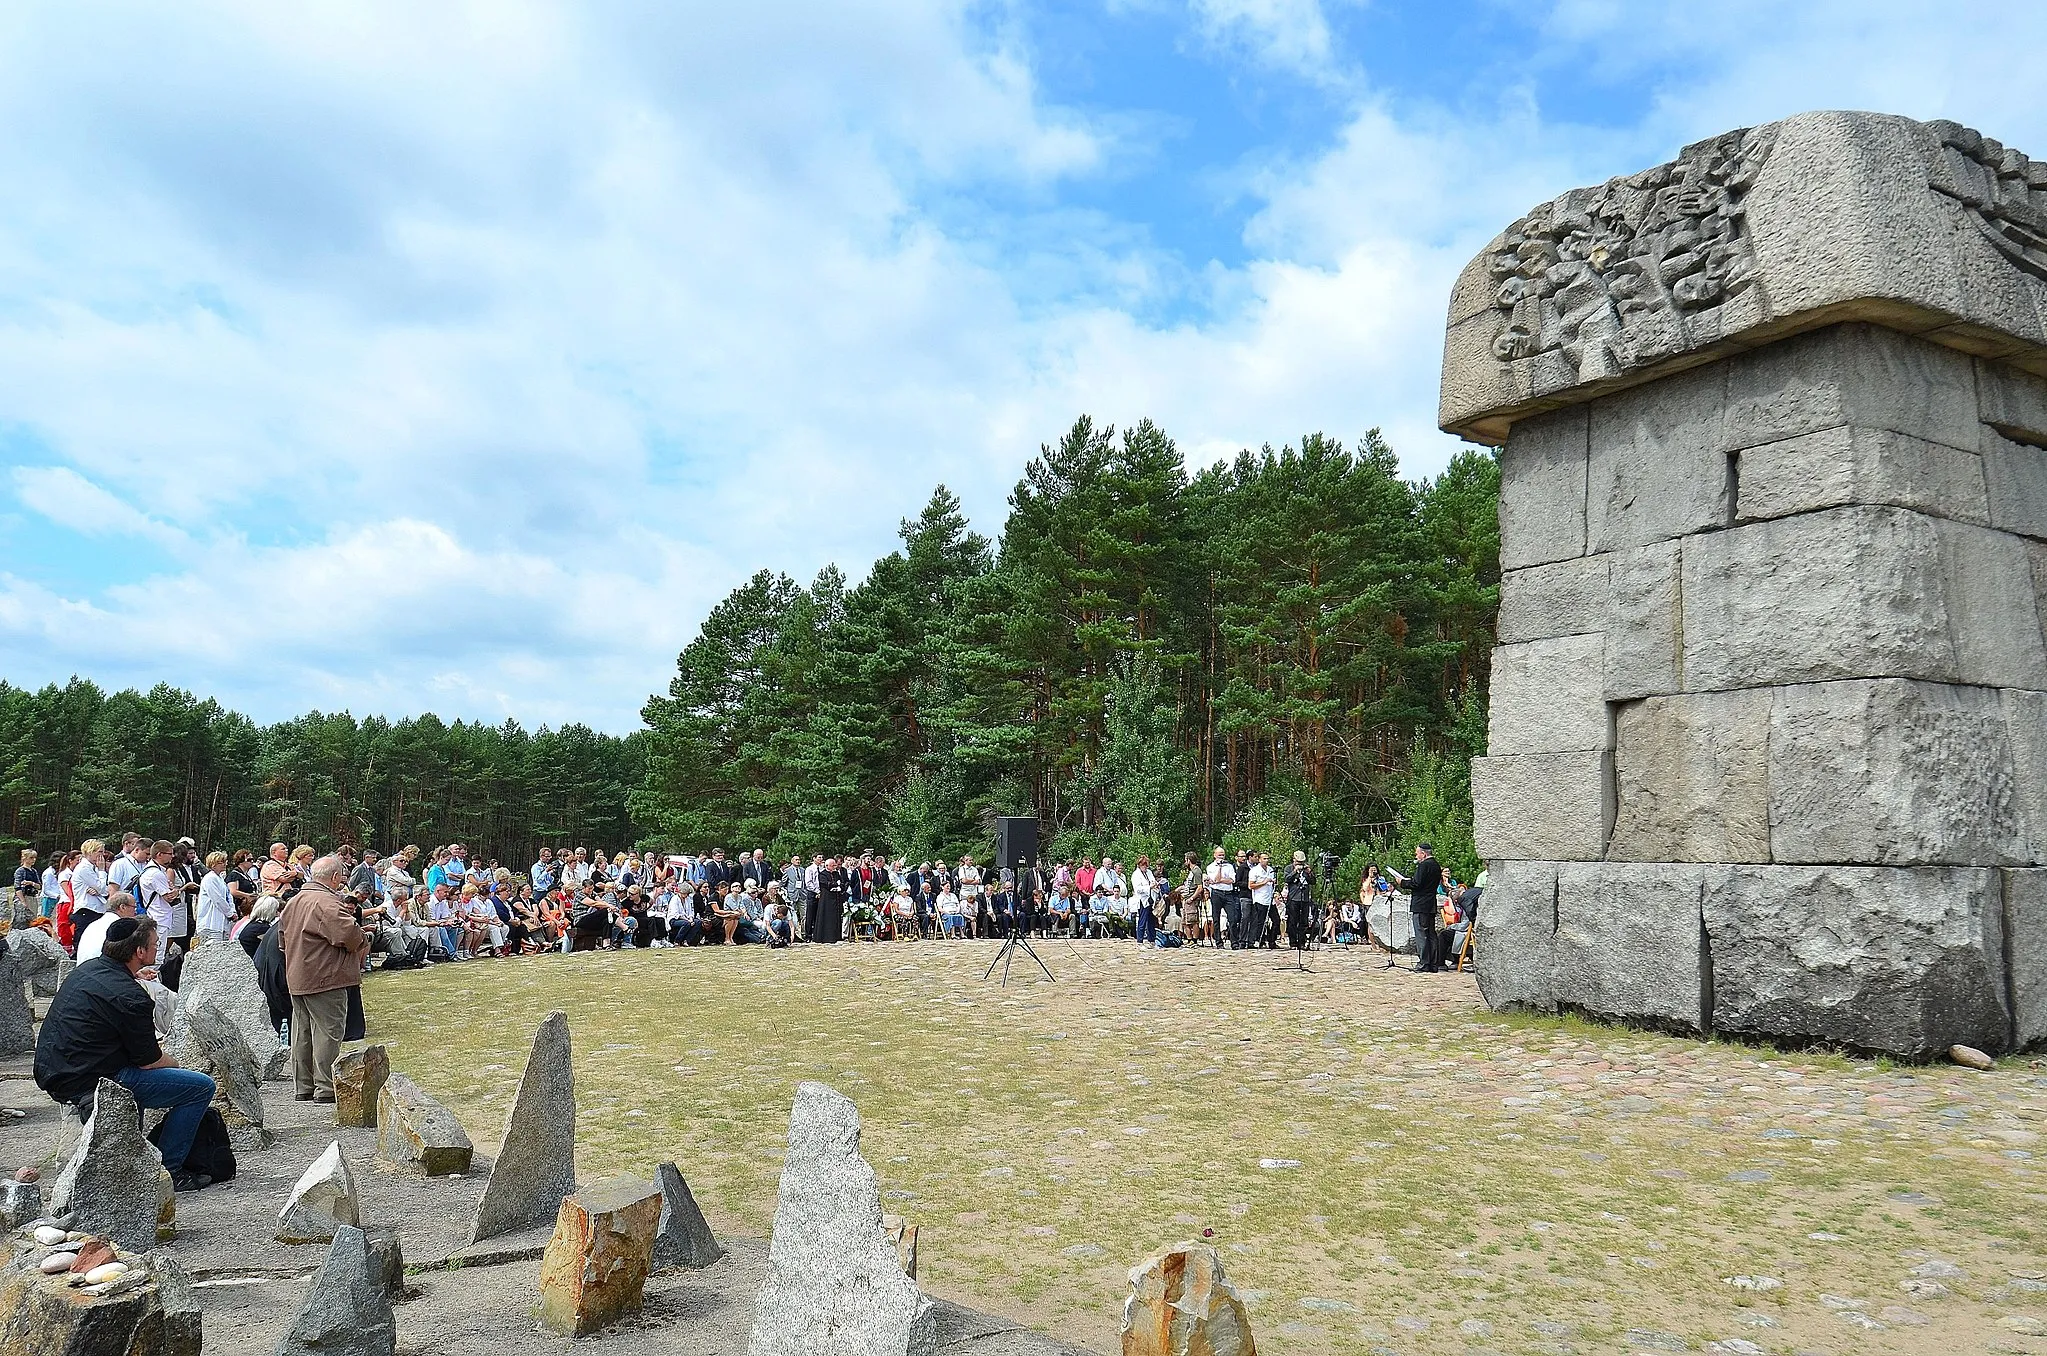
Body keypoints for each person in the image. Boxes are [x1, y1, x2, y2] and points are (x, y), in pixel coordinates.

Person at [34, 916, 218, 1190]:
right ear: (139, 952)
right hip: (92, 1080)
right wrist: (176, 1063)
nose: (160, 948)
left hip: (53, 1070)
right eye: (156, 944)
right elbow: (149, 1061)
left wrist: (134, 976)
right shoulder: (131, 997)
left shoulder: (87, 970)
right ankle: (167, 1171)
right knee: (201, 1087)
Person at [280, 855, 370, 1103]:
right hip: (326, 976)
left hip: (298, 975)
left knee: (302, 1032)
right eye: (341, 876)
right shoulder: (327, 902)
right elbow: (349, 935)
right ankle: (326, 1087)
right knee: (328, 1032)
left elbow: (281, 939)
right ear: (334, 877)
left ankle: (303, 1086)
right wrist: (363, 938)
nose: (342, 881)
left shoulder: (295, 901)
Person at [1386, 843, 1444, 973]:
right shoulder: (1436, 865)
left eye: (1417, 853)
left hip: (1420, 903)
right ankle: (1433, 963)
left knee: (1421, 934)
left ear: (1423, 854)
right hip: (1430, 903)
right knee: (1431, 934)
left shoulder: (1423, 865)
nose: (1416, 856)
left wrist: (1403, 882)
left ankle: (1424, 963)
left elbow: (1417, 883)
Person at [195, 851, 235, 946]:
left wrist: (233, 911)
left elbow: (228, 896)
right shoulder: (210, 878)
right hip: (210, 923)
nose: (225, 864)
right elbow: (218, 899)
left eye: (225, 861)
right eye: (221, 862)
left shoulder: (220, 879)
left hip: (222, 923)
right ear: (213, 864)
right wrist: (230, 913)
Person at [1284, 851, 1314, 952]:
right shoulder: (1289, 868)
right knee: (1292, 921)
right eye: (1298, 862)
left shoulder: (1306, 869)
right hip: (1293, 898)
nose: (1300, 864)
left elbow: (1313, 881)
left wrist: (1309, 872)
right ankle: (1293, 942)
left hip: (1304, 898)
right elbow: (1287, 879)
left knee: (1303, 921)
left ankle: (1302, 942)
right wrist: (1295, 872)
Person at [1203, 848, 1232, 948]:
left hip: (1228, 893)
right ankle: (1219, 942)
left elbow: (1232, 880)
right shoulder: (1210, 867)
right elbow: (1216, 879)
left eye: (1223, 855)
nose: (1221, 857)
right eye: (1219, 855)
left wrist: (1220, 880)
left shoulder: (1229, 866)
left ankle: (1234, 942)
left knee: (1232, 918)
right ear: (1215, 855)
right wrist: (1220, 868)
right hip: (1216, 893)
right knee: (1216, 918)